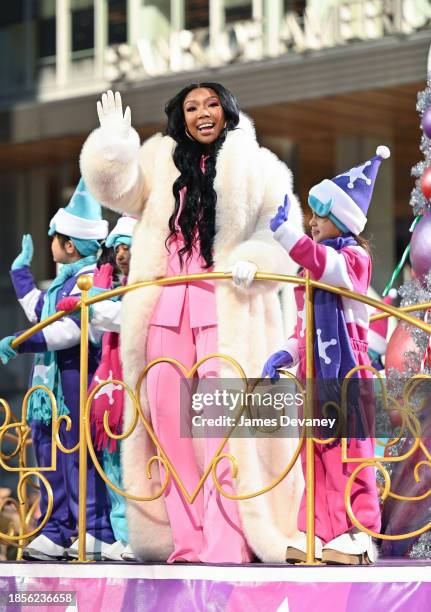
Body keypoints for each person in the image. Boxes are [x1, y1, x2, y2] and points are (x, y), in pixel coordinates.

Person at [79, 85, 305, 563]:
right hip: (165, 314)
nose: (203, 113)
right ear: (180, 117)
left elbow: (282, 232)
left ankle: (226, 542)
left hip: (226, 310)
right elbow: (118, 190)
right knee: (169, 429)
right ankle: (186, 541)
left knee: (218, 432)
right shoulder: (160, 162)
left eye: (211, 104)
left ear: (227, 110)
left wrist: (254, 259)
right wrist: (115, 148)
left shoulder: (260, 165)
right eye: (191, 107)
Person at [262, 146, 391, 564]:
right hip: (316, 377)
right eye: (311, 214)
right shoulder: (308, 270)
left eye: (319, 214)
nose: (311, 222)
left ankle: (358, 532)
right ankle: (318, 530)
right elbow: (303, 327)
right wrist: (285, 352)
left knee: (352, 455)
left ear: (343, 220)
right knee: (315, 456)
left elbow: (329, 267)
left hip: (350, 374)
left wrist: (288, 238)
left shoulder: (353, 259)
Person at [0, 180, 115, 561]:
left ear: (69, 245)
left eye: (54, 237)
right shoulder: (61, 284)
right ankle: (56, 529)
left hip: (75, 390)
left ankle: (95, 531)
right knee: (50, 463)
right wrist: (21, 275)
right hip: (47, 398)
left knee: (79, 463)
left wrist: (19, 342)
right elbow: (40, 313)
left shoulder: (91, 283)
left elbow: (65, 332)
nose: (50, 243)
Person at [57, 214, 137, 561]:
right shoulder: (107, 283)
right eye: (118, 247)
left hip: (138, 384)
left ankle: (138, 535)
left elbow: (129, 318)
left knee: (138, 468)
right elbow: (96, 333)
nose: (121, 253)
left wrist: (90, 305)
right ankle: (121, 535)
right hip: (110, 386)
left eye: (128, 246)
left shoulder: (145, 285)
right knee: (111, 464)